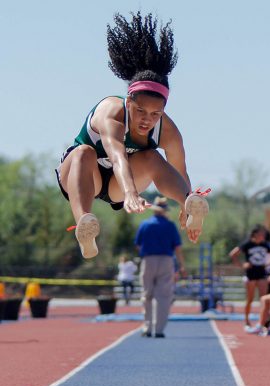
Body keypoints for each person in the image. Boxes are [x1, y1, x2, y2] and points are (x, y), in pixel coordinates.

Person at [56, 11, 210, 258]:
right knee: (83, 152)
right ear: (128, 102)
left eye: (155, 114)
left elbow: (179, 170)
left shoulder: (168, 131)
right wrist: (130, 193)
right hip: (83, 177)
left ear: (163, 110)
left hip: (118, 186)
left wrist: (187, 206)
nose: (147, 119)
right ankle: (85, 223)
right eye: (140, 111)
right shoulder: (111, 112)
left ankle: (189, 208)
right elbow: (116, 155)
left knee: (152, 158)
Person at [135, 196, 186, 338]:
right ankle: (159, 329)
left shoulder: (145, 224)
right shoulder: (170, 225)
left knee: (147, 295)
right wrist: (182, 265)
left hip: (148, 260)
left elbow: (138, 244)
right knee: (163, 296)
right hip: (166, 260)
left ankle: (147, 327)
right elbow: (177, 247)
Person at [229, 224, 270, 332]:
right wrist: (242, 265)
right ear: (255, 234)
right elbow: (233, 254)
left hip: (262, 273)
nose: (263, 236)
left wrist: (267, 264)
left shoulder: (266, 245)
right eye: (261, 234)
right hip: (250, 274)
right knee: (250, 299)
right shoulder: (247, 244)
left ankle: (265, 323)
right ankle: (247, 321)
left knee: (265, 300)